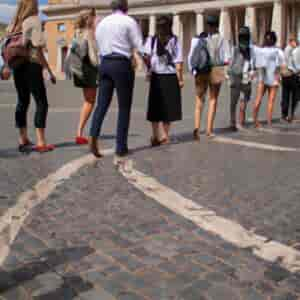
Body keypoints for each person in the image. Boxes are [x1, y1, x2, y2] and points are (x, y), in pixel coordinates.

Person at [89, 0, 142, 158]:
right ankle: (121, 146)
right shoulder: (128, 21)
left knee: (102, 104)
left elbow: (98, 44)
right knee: (124, 107)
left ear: (112, 7)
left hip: (105, 63)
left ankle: (93, 134)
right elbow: (139, 44)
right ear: (126, 7)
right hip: (121, 64)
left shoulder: (103, 23)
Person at [5, 0, 56, 153]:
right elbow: (38, 50)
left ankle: (23, 139)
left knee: (22, 101)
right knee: (41, 102)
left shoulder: (13, 24)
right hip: (32, 65)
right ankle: (41, 142)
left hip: (17, 65)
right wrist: (48, 70)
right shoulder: (33, 20)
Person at [188, 15, 231, 140]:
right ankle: (209, 130)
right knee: (213, 99)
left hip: (201, 71)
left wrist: (193, 70)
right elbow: (227, 58)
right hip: (216, 69)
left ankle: (196, 128)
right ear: (217, 25)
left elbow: (192, 54)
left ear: (207, 25)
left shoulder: (200, 38)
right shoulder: (222, 39)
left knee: (199, 99)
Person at [143, 15, 183, 146]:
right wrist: (180, 79)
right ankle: (165, 136)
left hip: (156, 76)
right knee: (168, 108)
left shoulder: (152, 39)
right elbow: (178, 62)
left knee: (155, 107)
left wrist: (148, 70)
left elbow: (146, 56)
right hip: (170, 77)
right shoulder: (175, 40)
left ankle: (155, 136)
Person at [72, 9, 99, 145]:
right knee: (90, 102)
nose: (96, 19)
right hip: (89, 70)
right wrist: (99, 68)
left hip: (80, 70)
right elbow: (93, 56)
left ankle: (80, 132)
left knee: (88, 101)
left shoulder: (77, 32)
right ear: (89, 18)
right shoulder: (89, 33)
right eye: (94, 17)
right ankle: (79, 133)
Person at [253, 31, 285, 128]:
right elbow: (282, 65)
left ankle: (255, 120)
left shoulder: (260, 50)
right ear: (274, 40)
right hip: (274, 79)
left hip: (262, 78)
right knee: (271, 101)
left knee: (258, 99)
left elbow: (256, 63)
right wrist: (279, 74)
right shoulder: (278, 51)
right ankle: (269, 121)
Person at [228, 26, 255, 130]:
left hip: (239, 76)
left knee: (235, 101)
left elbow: (230, 64)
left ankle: (235, 122)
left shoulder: (236, 48)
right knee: (241, 100)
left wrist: (229, 76)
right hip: (242, 76)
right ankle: (239, 122)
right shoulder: (241, 49)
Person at [281, 34, 299, 123]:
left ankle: (284, 115)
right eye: (295, 42)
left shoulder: (287, 49)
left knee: (286, 95)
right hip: (291, 75)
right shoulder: (291, 50)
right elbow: (293, 64)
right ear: (291, 42)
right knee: (295, 95)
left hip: (285, 75)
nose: (297, 44)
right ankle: (291, 115)